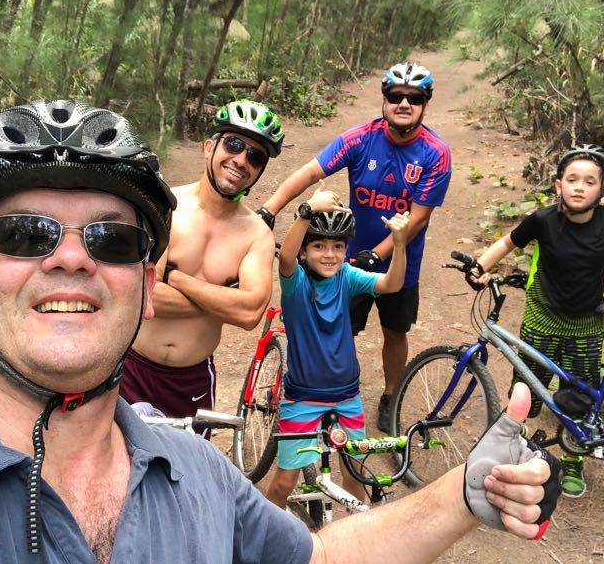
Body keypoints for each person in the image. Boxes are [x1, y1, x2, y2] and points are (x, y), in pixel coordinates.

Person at [0, 99, 559, 564]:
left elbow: (316, 557)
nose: (71, 256)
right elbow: (238, 301)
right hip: (139, 372)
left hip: (185, 385)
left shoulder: (197, 475)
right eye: (24, 234)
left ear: (136, 281)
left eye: (111, 241)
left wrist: (463, 492)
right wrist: (213, 293)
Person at [258, 61, 452, 432]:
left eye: (414, 98)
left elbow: (417, 218)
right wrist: (270, 209)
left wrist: (378, 255)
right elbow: (311, 172)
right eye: (396, 96)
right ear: (384, 100)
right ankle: (311, 390)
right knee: (327, 326)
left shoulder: (435, 153)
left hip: (397, 262)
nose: (404, 103)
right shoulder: (361, 138)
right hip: (342, 260)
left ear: (425, 104)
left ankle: (390, 395)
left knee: (396, 332)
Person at [474, 143, 604, 498]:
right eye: (572, 179)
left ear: (602, 189)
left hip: (586, 321)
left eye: (590, 181)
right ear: (558, 184)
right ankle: (514, 450)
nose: (580, 186)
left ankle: (574, 461)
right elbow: (507, 242)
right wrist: (479, 267)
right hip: (542, 316)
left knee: (580, 395)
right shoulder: (543, 219)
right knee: (526, 388)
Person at [122, 100, 280, 432]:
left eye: (255, 156)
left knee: (187, 479)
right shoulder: (166, 207)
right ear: (209, 147)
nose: (241, 160)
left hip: (191, 382)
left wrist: (175, 277)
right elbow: (143, 296)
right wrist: (223, 301)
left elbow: (250, 314)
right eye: (234, 144)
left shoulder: (257, 235)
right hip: (130, 369)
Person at [264, 180, 410, 508]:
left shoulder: (347, 275)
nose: (330, 255)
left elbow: (392, 283)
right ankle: (263, 535)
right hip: (303, 396)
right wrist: (307, 212)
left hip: (346, 394)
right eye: (319, 247)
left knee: (354, 472)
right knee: (284, 482)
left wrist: (399, 245)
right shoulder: (295, 282)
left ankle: (353, 533)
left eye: (338, 247)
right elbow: (285, 257)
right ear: (305, 251)